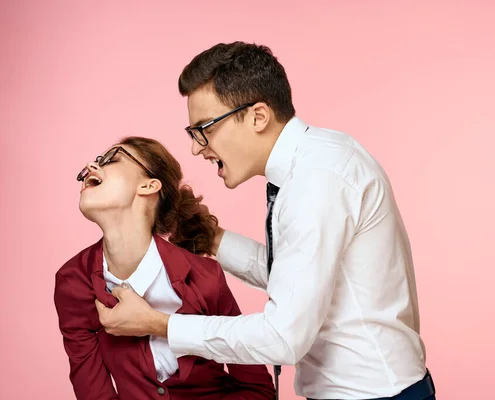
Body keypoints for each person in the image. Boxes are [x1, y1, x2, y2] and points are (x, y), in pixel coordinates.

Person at [95, 42, 436, 400]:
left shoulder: (315, 181)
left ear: (258, 116)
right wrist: (211, 238)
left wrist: (161, 325)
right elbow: (299, 275)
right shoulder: (315, 159)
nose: (197, 147)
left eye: (204, 128)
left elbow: (282, 337)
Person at [53, 136, 276, 400]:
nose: (90, 166)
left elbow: (258, 389)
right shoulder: (73, 282)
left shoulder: (205, 277)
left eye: (111, 159)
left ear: (149, 185)